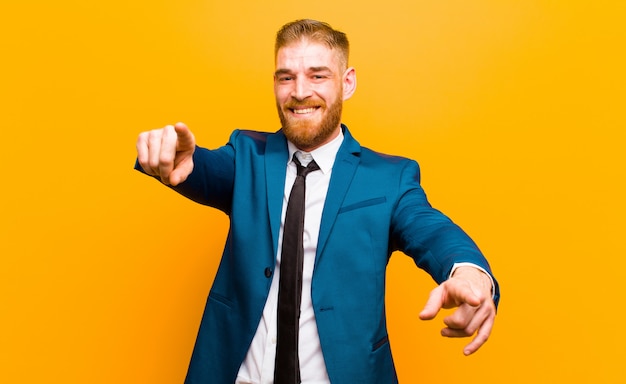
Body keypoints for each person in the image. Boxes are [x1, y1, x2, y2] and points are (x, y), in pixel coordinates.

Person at [135, 19, 499, 384]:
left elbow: (431, 229)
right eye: (286, 77)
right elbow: (204, 167)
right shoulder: (247, 157)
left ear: (348, 81)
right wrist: (180, 159)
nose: (299, 92)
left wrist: (469, 272)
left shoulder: (388, 177)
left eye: (318, 76)